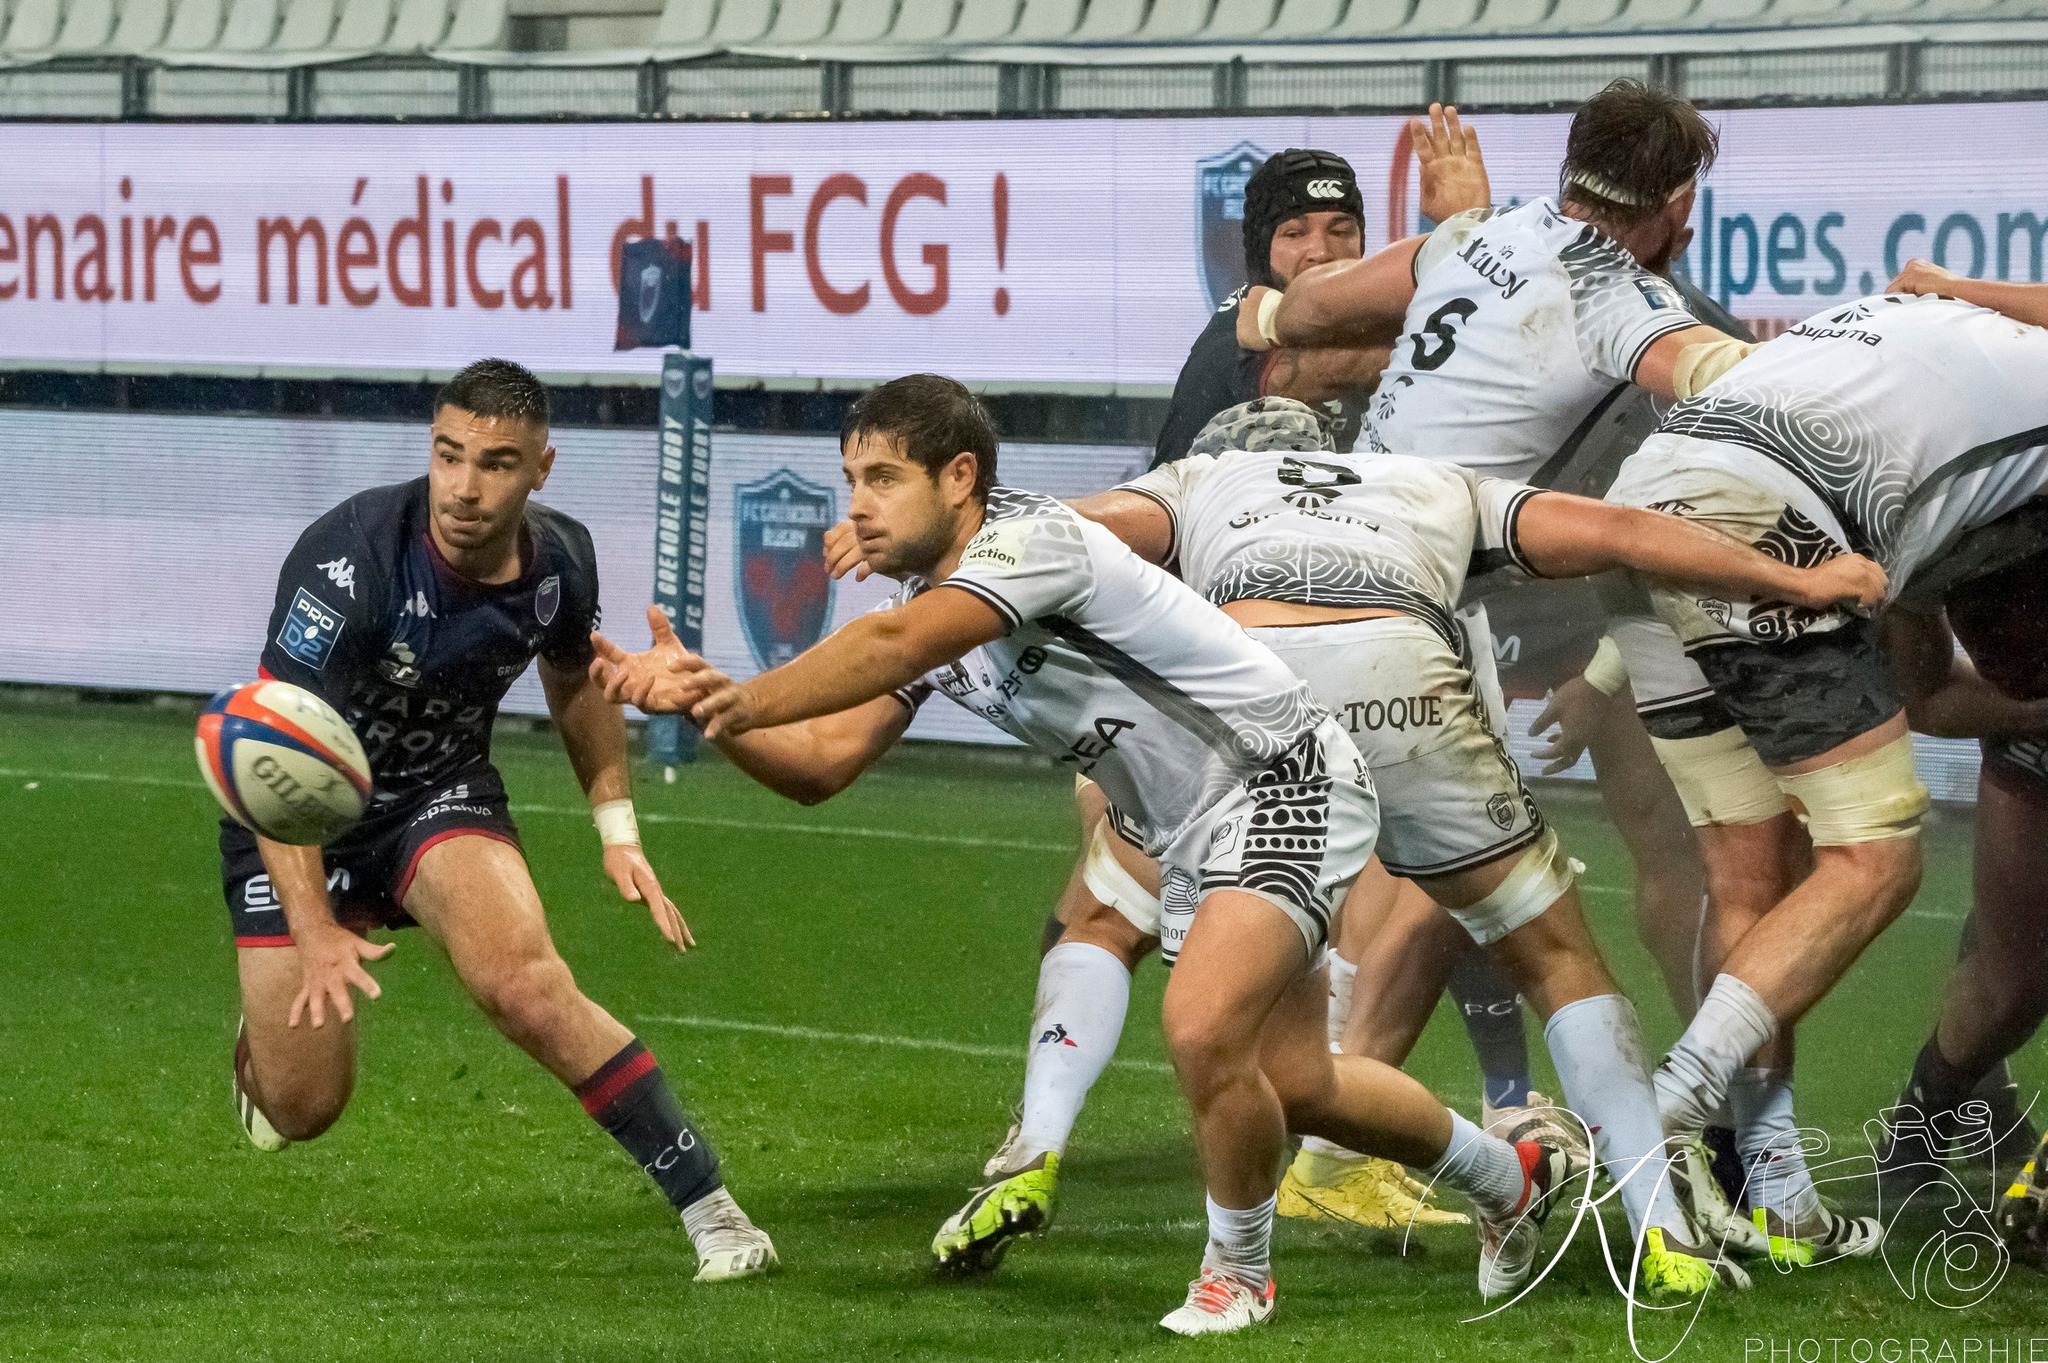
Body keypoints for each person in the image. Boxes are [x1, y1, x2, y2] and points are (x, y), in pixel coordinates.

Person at [592, 374, 1587, 1334]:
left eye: (884, 477)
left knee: (1201, 1030)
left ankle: (1236, 1278)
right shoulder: (938, 611)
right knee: (1299, 1081)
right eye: (850, 480)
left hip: (1282, 778)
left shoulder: (1030, 542)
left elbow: (895, 644)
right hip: (1188, 826)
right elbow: (820, 765)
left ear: (959, 478)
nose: (858, 507)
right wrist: (712, 713)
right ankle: (1515, 1180)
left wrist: (741, 690)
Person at [1042, 396, 1884, 1300]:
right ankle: (1663, 1233)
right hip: (1399, 678)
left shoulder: (1197, 481)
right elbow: (1624, 531)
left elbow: (1046, 539)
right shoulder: (1439, 482)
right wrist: (1801, 580)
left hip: (1256, 695)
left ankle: (1215, 1239)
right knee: (1556, 955)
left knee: (1221, 1008)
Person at [1238, 77, 1776, 1239]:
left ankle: (1317, 1117)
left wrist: (1277, 317)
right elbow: (1723, 382)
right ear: (1677, 200)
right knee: (1518, 904)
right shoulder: (1626, 301)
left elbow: (1304, 308)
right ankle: (1355, 1139)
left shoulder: (1478, 233)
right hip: (1417, 597)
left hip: (1311, 555)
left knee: (1390, 874)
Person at [982, 114, 1519, 1250]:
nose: (1321, 250)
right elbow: (1366, 353)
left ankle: (1350, 1137)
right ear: (1253, 257)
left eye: (1343, 228)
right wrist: (1465, 240)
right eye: (1296, 232)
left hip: (1319, 671)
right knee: (1133, 904)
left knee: (1422, 883)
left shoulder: (1376, 346)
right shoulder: (1242, 341)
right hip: (1214, 689)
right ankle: (1054, 1145)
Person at [222, 358, 775, 1283]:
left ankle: (712, 1209)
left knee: (525, 983)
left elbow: (576, 682)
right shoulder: (349, 556)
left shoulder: (561, 560)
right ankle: (259, 1047)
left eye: (497, 463)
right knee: (304, 1108)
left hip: (435, 793)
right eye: (449, 456)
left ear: (541, 470)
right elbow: (274, 749)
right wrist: (314, 928)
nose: (466, 488)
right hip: (299, 799)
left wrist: (619, 831)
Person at [1600, 264, 2048, 1265]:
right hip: (1768, 519)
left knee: (1746, 871)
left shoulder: (1920, 355)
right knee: (1875, 854)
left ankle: (1777, 1194)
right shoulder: (2000, 393)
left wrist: (1952, 280)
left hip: (1640, 510)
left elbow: (1926, 681)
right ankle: (1668, 1119)